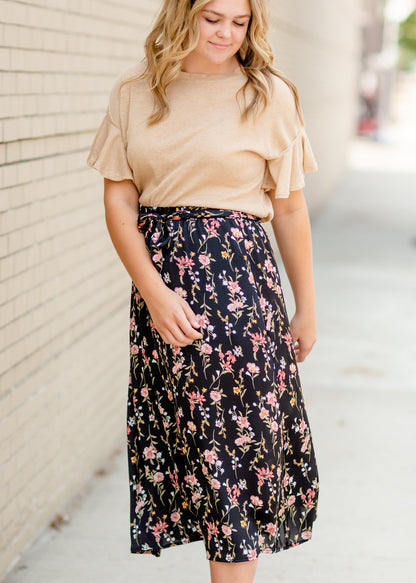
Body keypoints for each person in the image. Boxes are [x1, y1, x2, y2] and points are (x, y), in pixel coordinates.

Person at [87, 0, 319, 581]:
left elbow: (289, 208)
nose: (226, 33)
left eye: (239, 22)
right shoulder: (136, 92)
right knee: (200, 460)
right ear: (183, 14)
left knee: (232, 467)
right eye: (212, 17)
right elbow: (120, 200)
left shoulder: (269, 96)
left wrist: (306, 306)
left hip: (242, 293)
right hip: (163, 297)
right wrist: (155, 292)